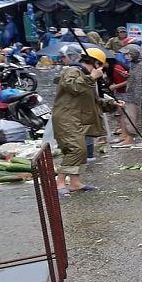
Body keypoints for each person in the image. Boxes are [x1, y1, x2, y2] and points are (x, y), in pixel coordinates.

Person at [52, 48, 120, 194]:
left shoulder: (85, 76)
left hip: (78, 119)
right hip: (67, 118)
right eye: (100, 66)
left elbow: (93, 101)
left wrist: (112, 104)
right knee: (75, 149)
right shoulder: (72, 71)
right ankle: (59, 182)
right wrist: (92, 77)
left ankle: (75, 183)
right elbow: (72, 87)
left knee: (81, 150)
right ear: (96, 63)